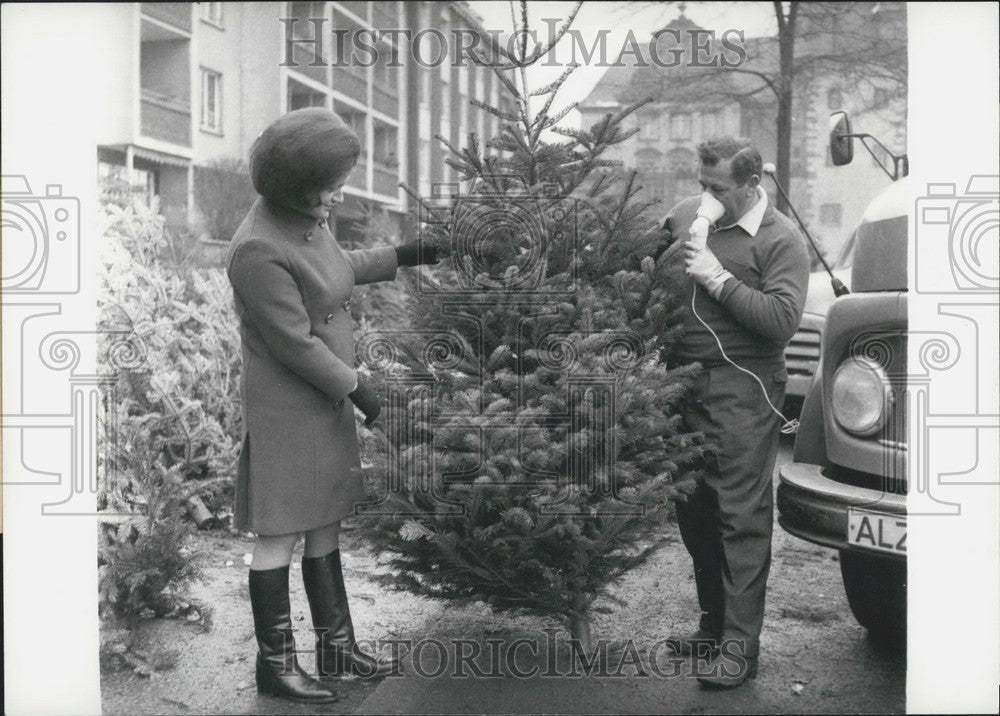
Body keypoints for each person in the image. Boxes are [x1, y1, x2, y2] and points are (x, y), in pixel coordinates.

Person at [226, 108, 438, 703]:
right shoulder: (256, 249)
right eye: (333, 182)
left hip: (327, 400)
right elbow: (294, 344)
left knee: (325, 519)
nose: (340, 193)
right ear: (297, 183)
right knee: (280, 532)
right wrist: (363, 392)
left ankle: (337, 650)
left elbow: (338, 272)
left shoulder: (304, 218)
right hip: (290, 408)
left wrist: (413, 252)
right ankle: (277, 663)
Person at [655, 137, 809, 689]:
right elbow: (639, 265)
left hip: (743, 388)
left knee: (740, 517)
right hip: (683, 385)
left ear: (751, 185)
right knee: (695, 513)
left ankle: (740, 651)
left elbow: (782, 320)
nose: (707, 197)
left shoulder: (780, 240)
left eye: (718, 188)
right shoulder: (684, 217)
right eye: (702, 185)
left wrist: (718, 279)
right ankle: (714, 627)